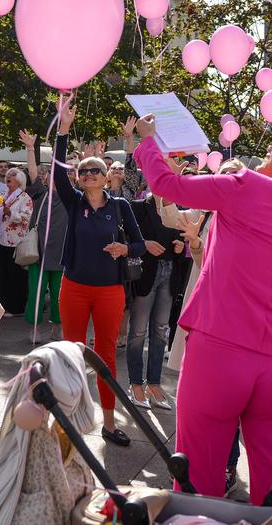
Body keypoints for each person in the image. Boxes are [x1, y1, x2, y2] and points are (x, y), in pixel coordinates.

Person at [131, 101, 272, 504]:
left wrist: (148, 144)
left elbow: (168, 186)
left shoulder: (244, 188)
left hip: (220, 350)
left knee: (196, 477)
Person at [52, 97, 146, 445]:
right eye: (84, 171)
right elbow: (58, 171)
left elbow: (139, 245)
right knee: (71, 354)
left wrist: (125, 248)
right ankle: (69, 422)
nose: (89, 174)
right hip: (75, 287)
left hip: (109, 291)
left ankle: (108, 423)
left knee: (106, 357)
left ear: (107, 176)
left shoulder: (120, 206)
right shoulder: (74, 202)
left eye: (96, 170)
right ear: (78, 178)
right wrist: (63, 130)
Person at [126, 153, 188, 412]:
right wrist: (144, 245)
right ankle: (135, 384)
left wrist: (180, 246)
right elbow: (127, 240)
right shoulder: (139, 208)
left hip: (170, 274)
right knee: (138, 331)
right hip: (146, 274)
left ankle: (154, 384)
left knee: (161, 330)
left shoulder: (181, 210)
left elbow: (188, 240)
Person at [19, 131, 68, 340]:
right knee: (36, 295)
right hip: (39, 254)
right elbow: (31, 172)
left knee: (60, 296)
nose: (53, 178)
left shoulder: (71, 197)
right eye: (50, 174)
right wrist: (30, 148)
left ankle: (58, 327)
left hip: (63, 256)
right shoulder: (41, 192)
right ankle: (35, 328)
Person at [0, 167, 33, 315]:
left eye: (12, 175)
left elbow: (27, 218)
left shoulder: (25, 197)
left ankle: (16, 307)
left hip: (17, 241)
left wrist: (11, 213)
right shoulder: (3, 194)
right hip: (3, 238)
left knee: (16, 275)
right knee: (3, 274)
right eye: (8, 175)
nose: (8, 176)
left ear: (20, 180)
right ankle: (3, 306)